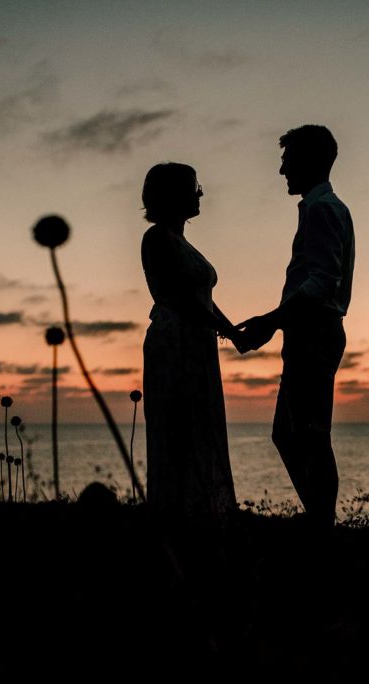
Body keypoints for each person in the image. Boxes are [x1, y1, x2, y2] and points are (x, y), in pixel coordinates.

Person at [236, 125, 355, 529]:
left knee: (308, 433)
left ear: (309, 161)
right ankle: (320, 520)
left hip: (315, 331)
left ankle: (323, 525)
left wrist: (271, 321)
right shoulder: (323, 208)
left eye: (287, 161)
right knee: (291, 433)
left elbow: (323, 281)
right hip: (309, 331)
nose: (282, 170)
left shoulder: (322, 209)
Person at [140, 162, 238, 518]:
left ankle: (200, 510)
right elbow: (182, 299)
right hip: (174, 342)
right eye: (193, 187)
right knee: (176, 428)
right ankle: (176, 514)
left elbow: (202, 298)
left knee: (200, 424)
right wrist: (227, 331)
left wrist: (231, 330)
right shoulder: (157, 238)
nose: (200, 193)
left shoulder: (181, 241)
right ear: (173, 195)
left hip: (197, 342)